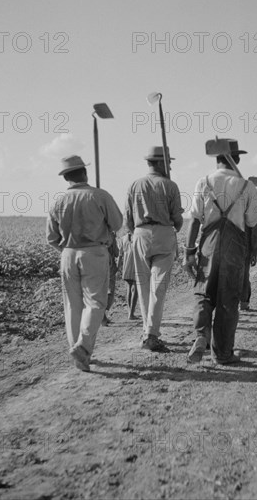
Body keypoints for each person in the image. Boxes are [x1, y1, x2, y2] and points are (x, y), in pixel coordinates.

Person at [184, 139, 257, 364]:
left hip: (208, 244)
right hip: (234, 248)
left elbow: (195, 220)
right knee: (228, 300)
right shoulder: (247, 186)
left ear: (217, 160)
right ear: (235, 159)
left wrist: (189, 253)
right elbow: (252, 220)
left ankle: (201, 335)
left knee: (203, 293)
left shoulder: (203, 182)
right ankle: (223, 353)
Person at [46, 155, 123, 372]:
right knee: (96, 303)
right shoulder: (99, 195)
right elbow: (117, 223)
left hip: (68, 254)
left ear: (65, 178)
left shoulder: (58, 201)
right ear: (85, 173)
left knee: (72, 305)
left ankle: (79, 355)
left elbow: (51, 238)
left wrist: (67, 250)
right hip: (95, 252)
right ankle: (84, 346)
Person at [125, 146, 184, 351]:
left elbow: (128, 219)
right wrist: (175, 223)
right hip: (164, 234)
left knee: (143, 286)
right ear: (159, 163)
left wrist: (137, 232)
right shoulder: (170, 185)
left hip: (140, 234)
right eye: (168, 162)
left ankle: (147, 331)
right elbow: (178, 220)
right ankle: (151, 334)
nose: (170, 165)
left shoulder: (135, 185)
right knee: (158, 288)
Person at [240, 177, 257, 311]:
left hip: (234, 244)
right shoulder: (253, 202)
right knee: (244, 275)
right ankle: (243, 302)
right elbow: (254, 229)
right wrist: (255, 251)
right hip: (246, 246)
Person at [120, 231, 138, 320]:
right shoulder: (138, 237)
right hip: (136, 265)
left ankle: (129, 312)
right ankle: (131, 313)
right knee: (135, 290)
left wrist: (118, 267)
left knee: (129, 289)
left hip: (126, 265)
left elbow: (120, 255)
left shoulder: (123, 238)